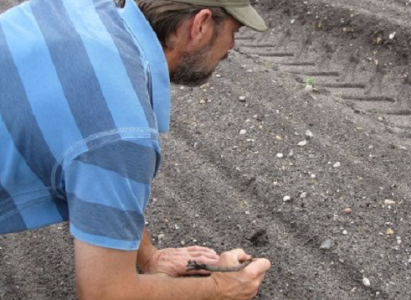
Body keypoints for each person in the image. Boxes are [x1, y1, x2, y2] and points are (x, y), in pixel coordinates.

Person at [0, 0, 271, 299]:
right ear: (201, 25)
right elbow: (103, 293)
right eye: (234, 31)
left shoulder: (79, 8)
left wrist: (149, 256)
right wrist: (220, 287)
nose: (232, 45)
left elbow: (98, 162)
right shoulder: (121, 130)